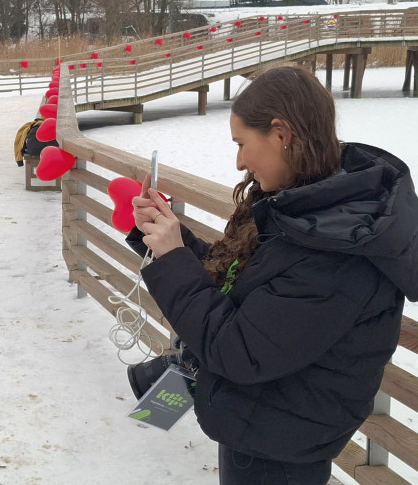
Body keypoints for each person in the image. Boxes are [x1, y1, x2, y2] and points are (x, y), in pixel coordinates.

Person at [126, 65, 417, 484]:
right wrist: (167, 239)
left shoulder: (340, 249)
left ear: (281, 135)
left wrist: (173, 258)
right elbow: (247, 289)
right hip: (259, 422)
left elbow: (240, 349)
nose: (240, 160)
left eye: (243, 143)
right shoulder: (310, 207)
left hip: (282, 448)